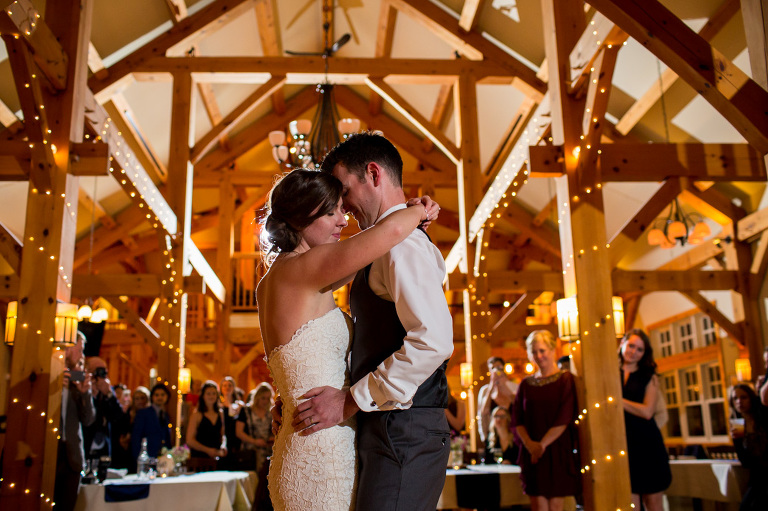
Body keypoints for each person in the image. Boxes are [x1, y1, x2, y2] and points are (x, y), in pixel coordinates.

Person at [258, 160, 443, 510]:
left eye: (344, 209)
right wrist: (415, 211)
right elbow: (384, 236)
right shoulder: (305, 269)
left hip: (308, 438)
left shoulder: (284, 276)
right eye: (332, 212)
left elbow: (368, 247)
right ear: (301, 217)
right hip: (320, 450)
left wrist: (409, 215)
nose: (343, 220)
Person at [514, 330, 580, 511]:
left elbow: (564, 417)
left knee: (556, 506)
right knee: (538, 506)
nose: (539, 356)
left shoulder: (566, 379)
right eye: (534, 352)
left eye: (542, 350)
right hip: (532, 453)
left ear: (552, 350)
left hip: (557, 451)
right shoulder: (526, 384)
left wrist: (542, 445)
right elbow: (517, 419)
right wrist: (530, 445)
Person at [619, 329, 672, 511]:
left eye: (639, 349)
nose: (633, 351)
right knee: (630, 505)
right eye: (631, 345)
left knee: (653, 504)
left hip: (647, 444)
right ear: (622, 344)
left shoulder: (649, 377)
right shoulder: (611, 373)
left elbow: (648, 411)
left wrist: (618, 401)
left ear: (644, 353)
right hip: (623, 446)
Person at [54, 334, 96, 511]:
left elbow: (88, 420)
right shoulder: (50, 375)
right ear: (68, 349)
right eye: (80, 350)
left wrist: (85, 393)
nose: (81, 356)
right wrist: (54, 385)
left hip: (72, 456)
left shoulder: (76, 381)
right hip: (51, 453)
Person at [729, 383, 768, 510]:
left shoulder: (763, 416)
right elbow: (745, 462)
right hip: (758, 477)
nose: (739, 401)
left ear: (751, 398)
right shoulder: (737, 425)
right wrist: (738, 441)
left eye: (743, 397)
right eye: (735, 398)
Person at [477, 356, 518, 443]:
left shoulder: (514, 387)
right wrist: (491, 386)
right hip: (492, 436)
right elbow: (483, 413)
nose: (496, 370)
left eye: (499, 367)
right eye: (492, 368)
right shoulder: (485, 391)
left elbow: (518, 406)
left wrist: (504, 385)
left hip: (512, 435)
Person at [236, 383, 275, 472]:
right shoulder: (246, 411)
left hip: (268, 452)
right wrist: (255, 441)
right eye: (263, 398)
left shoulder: (270, 413)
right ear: (257, 397)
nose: (265, 401)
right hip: (250, 453)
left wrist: (271, 438)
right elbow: (238, 432)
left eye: (268, 398)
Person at [186, 380, 227, 459]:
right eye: (208, 394)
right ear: (203, 396)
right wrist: (208, 450)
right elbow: (190, 440)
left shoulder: (220, 413)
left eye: (214, 394)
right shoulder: (197, 414)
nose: (211, 396)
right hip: (200, 458)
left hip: (216, 457)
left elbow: (222, 435)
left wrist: (223, 446)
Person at [131, 383, 172, 460]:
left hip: (161, 457)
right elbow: (136, 437)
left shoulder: (165, 415)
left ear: (167, 397)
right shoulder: (143, 413)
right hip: (146, 456)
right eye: (157, 395)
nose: (160, 397)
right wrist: (138, 457)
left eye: (162, 395)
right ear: (152, 397)